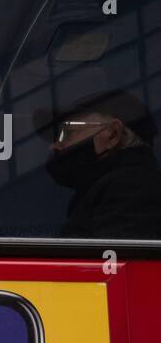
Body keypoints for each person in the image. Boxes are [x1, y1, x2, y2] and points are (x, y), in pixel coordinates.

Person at [41, 90, 161, 239]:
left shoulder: (131, 188)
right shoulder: (115, 188)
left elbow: (115, 259)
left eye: (68, 133)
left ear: (113, 134)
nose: (54, 146)